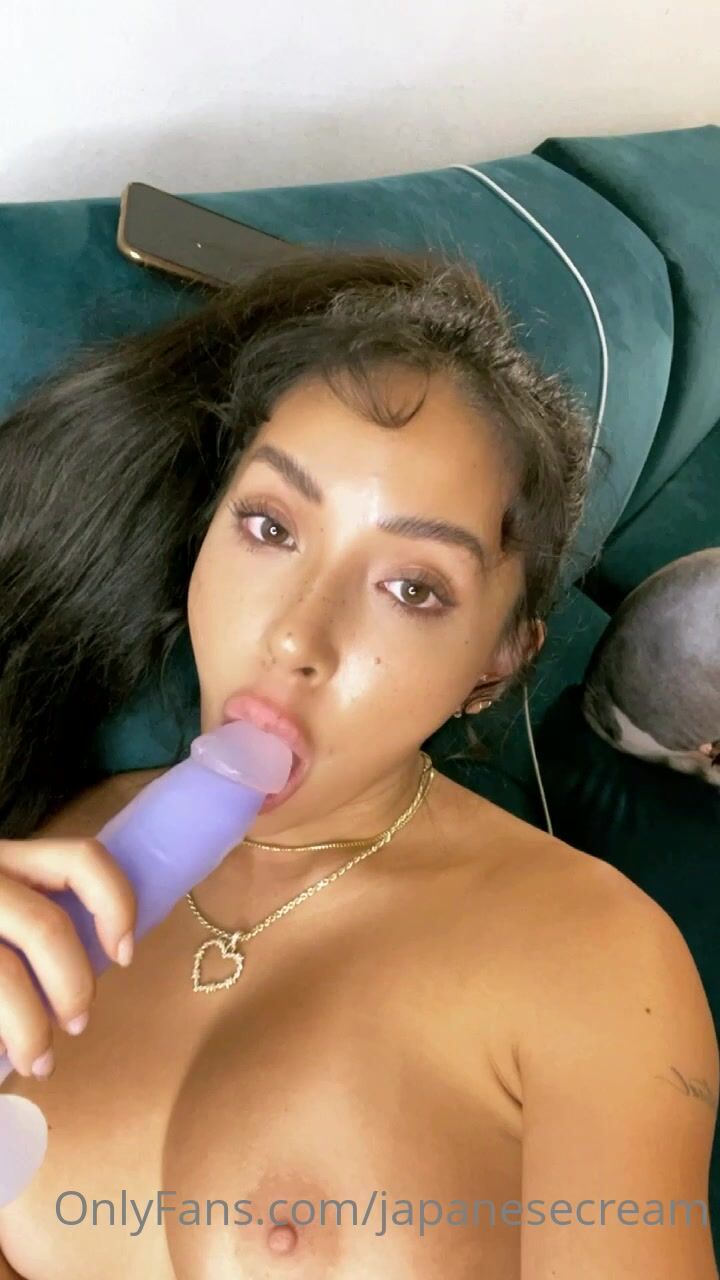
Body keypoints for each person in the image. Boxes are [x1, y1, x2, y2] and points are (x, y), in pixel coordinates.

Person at [0, 247, 717, 1279]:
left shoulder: (597, 961)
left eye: (413, 589)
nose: (297, 634)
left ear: (496, 662)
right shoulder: (36, 854)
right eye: (269, 526)